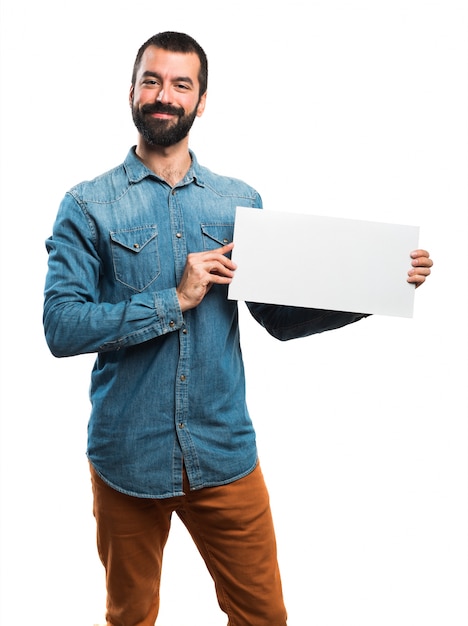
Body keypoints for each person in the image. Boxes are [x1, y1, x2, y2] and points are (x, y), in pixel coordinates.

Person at [43, 31, 433, 626]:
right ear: (131, 92)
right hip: (126, 458)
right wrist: (173, 299)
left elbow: (276, 317)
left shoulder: (237, 201)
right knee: (129, 618)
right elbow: (61, 326)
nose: (164, 95)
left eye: (181, 84)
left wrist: (377, 286)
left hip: (223, 454)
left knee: (264, 617)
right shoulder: (87, 204)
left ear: (201, 101)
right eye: (152, 81)